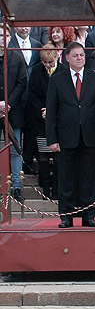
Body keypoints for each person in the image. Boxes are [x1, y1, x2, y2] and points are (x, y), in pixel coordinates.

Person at [45, 42, 95, 228]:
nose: (80, 58)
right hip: (66, 138)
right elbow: (51, 112)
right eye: (75, 55)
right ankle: (66, 216)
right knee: (66, 178)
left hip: (90, 137)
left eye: (82, 55)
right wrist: (52, 139)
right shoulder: (57, 80)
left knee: (88, 179)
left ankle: (88, 215)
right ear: (66, 58)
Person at [27, 43, 60, 198]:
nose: (47, 65)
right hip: (41, 121)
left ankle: (58, 188)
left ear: (57, 58)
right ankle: (46, 188)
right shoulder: (36, 72)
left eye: (50, 62)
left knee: (59, 156)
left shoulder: (64, 71)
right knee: (43, 155)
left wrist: (53, 111)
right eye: (45, 62)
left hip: (60, 122)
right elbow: (32, 94)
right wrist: (43, 110)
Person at [0, 27, 29, 201]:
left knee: (15, 150)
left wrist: (8, 103)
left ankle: (16, 187)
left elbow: (22, 82)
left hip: (13, 110)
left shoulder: (16, 57)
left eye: (5, 35)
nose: (2, 38)